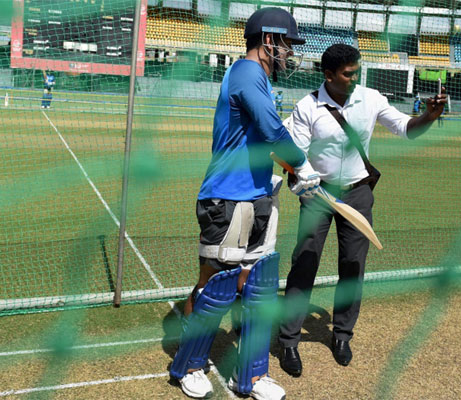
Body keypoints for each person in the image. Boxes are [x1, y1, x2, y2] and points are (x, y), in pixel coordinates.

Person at [169, 8, 320, 400]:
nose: (290, 54)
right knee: (214, 285)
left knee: (256, 286)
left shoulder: (260, 81)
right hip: (226, 198)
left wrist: (289, 171)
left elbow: (262, 142)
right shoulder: (246, 73)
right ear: (269, 40)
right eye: (287, 44)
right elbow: (273, 129)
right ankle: (189, 364)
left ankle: (250, 377)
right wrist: (302, 166)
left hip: (256, 197)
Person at [277, 44, 447, 377]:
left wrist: (428, 116)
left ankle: (342, 335)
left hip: (358, 195)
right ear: (329, 75)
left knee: (353, 266)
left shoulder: (371, 98)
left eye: (357, 71)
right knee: (304, 263)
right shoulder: (307, 107)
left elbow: (406, 128)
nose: (355, 79)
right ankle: (288, 341)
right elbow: (292, 152)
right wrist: (302, 178)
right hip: (318, 195)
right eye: (348, 74)